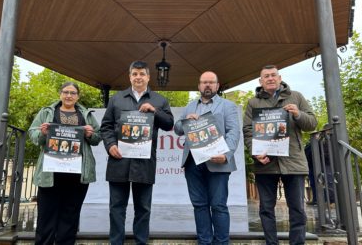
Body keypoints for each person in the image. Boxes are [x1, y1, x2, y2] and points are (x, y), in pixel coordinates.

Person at [100, 60, 174, 245]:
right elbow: (106, 127)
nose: (138, 77)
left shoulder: (159, 100)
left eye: (142, 74)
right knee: (116, 208)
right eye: (135, 74)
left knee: (143, 208)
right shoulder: (116, 99)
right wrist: (110, 145)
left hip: (145, 163)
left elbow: (169, 124)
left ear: (148, 77)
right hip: (119, 161)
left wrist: (154, 111)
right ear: (130, 76)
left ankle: (141, 242)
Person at [243, 65, 317, 245]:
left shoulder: (296, 97)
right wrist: (256, 152)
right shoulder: (253, 103)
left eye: (273, 75)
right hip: (265, 164)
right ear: (260, 81)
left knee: (298, 210)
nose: (270, 78)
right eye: (266, 76)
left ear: (279, 77)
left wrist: (298, 114)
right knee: (266, 209)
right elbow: (247, 131)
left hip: (293, 163)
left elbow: (312, 124)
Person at [28, 82, 101, 245]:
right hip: (50, 172)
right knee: (46, 214)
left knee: (70, 214)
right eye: (66, 92)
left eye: (73, 93)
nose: (69, 96)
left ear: (78, 96)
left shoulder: (86, 114)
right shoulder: (47, 112)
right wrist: (42, 132)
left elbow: (98, 137)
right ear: (60, 94)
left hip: (77, 173)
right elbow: (32, 133)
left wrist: (90, 134)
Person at [174, 71, 241, 245]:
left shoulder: (228, 106)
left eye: (211, 82)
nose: (208, 85)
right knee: (199, 205)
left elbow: (234, 132)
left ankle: (221, 242)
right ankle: (204, 241)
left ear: (217, 86)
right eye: (204, 82)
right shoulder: (190, 106)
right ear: (199, 86)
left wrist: (226, 155)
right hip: (193, 163)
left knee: (218, 205)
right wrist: (184, 120)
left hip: (218, 162)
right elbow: (178, 128)